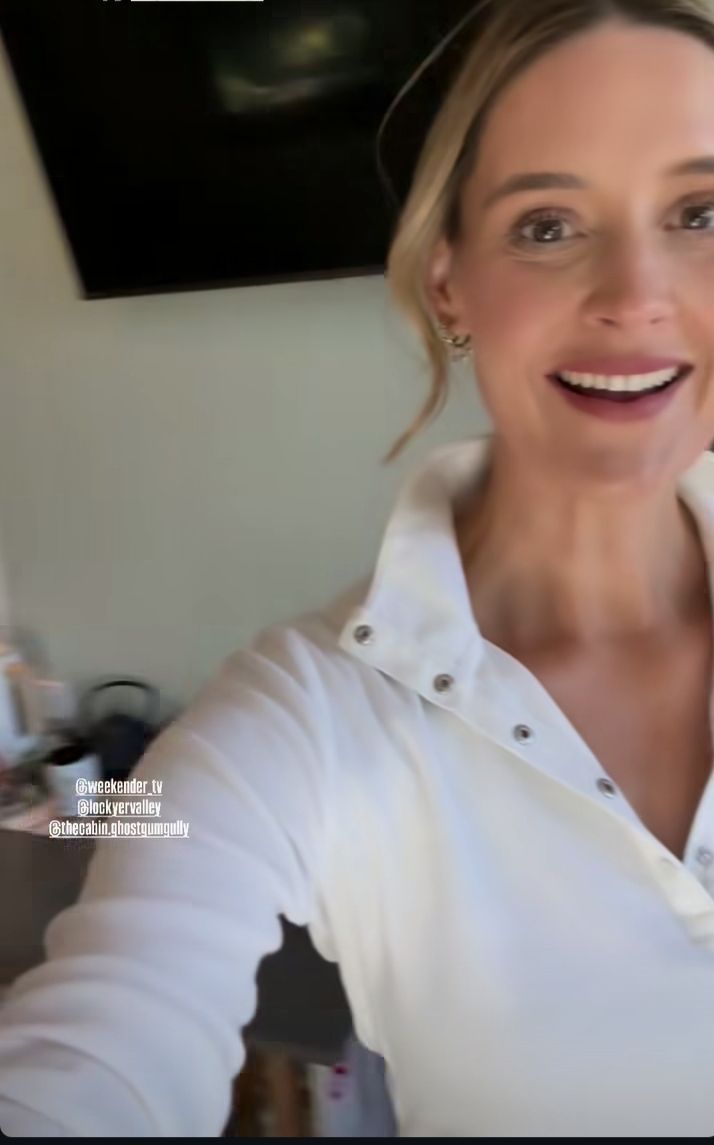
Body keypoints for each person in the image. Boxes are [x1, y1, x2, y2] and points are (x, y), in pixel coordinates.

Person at [2, 0, 714, 1135]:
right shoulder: (298, 719)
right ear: (448, 282)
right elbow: (104, 1038)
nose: (636, 293)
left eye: (700, 212)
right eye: (546, 225)